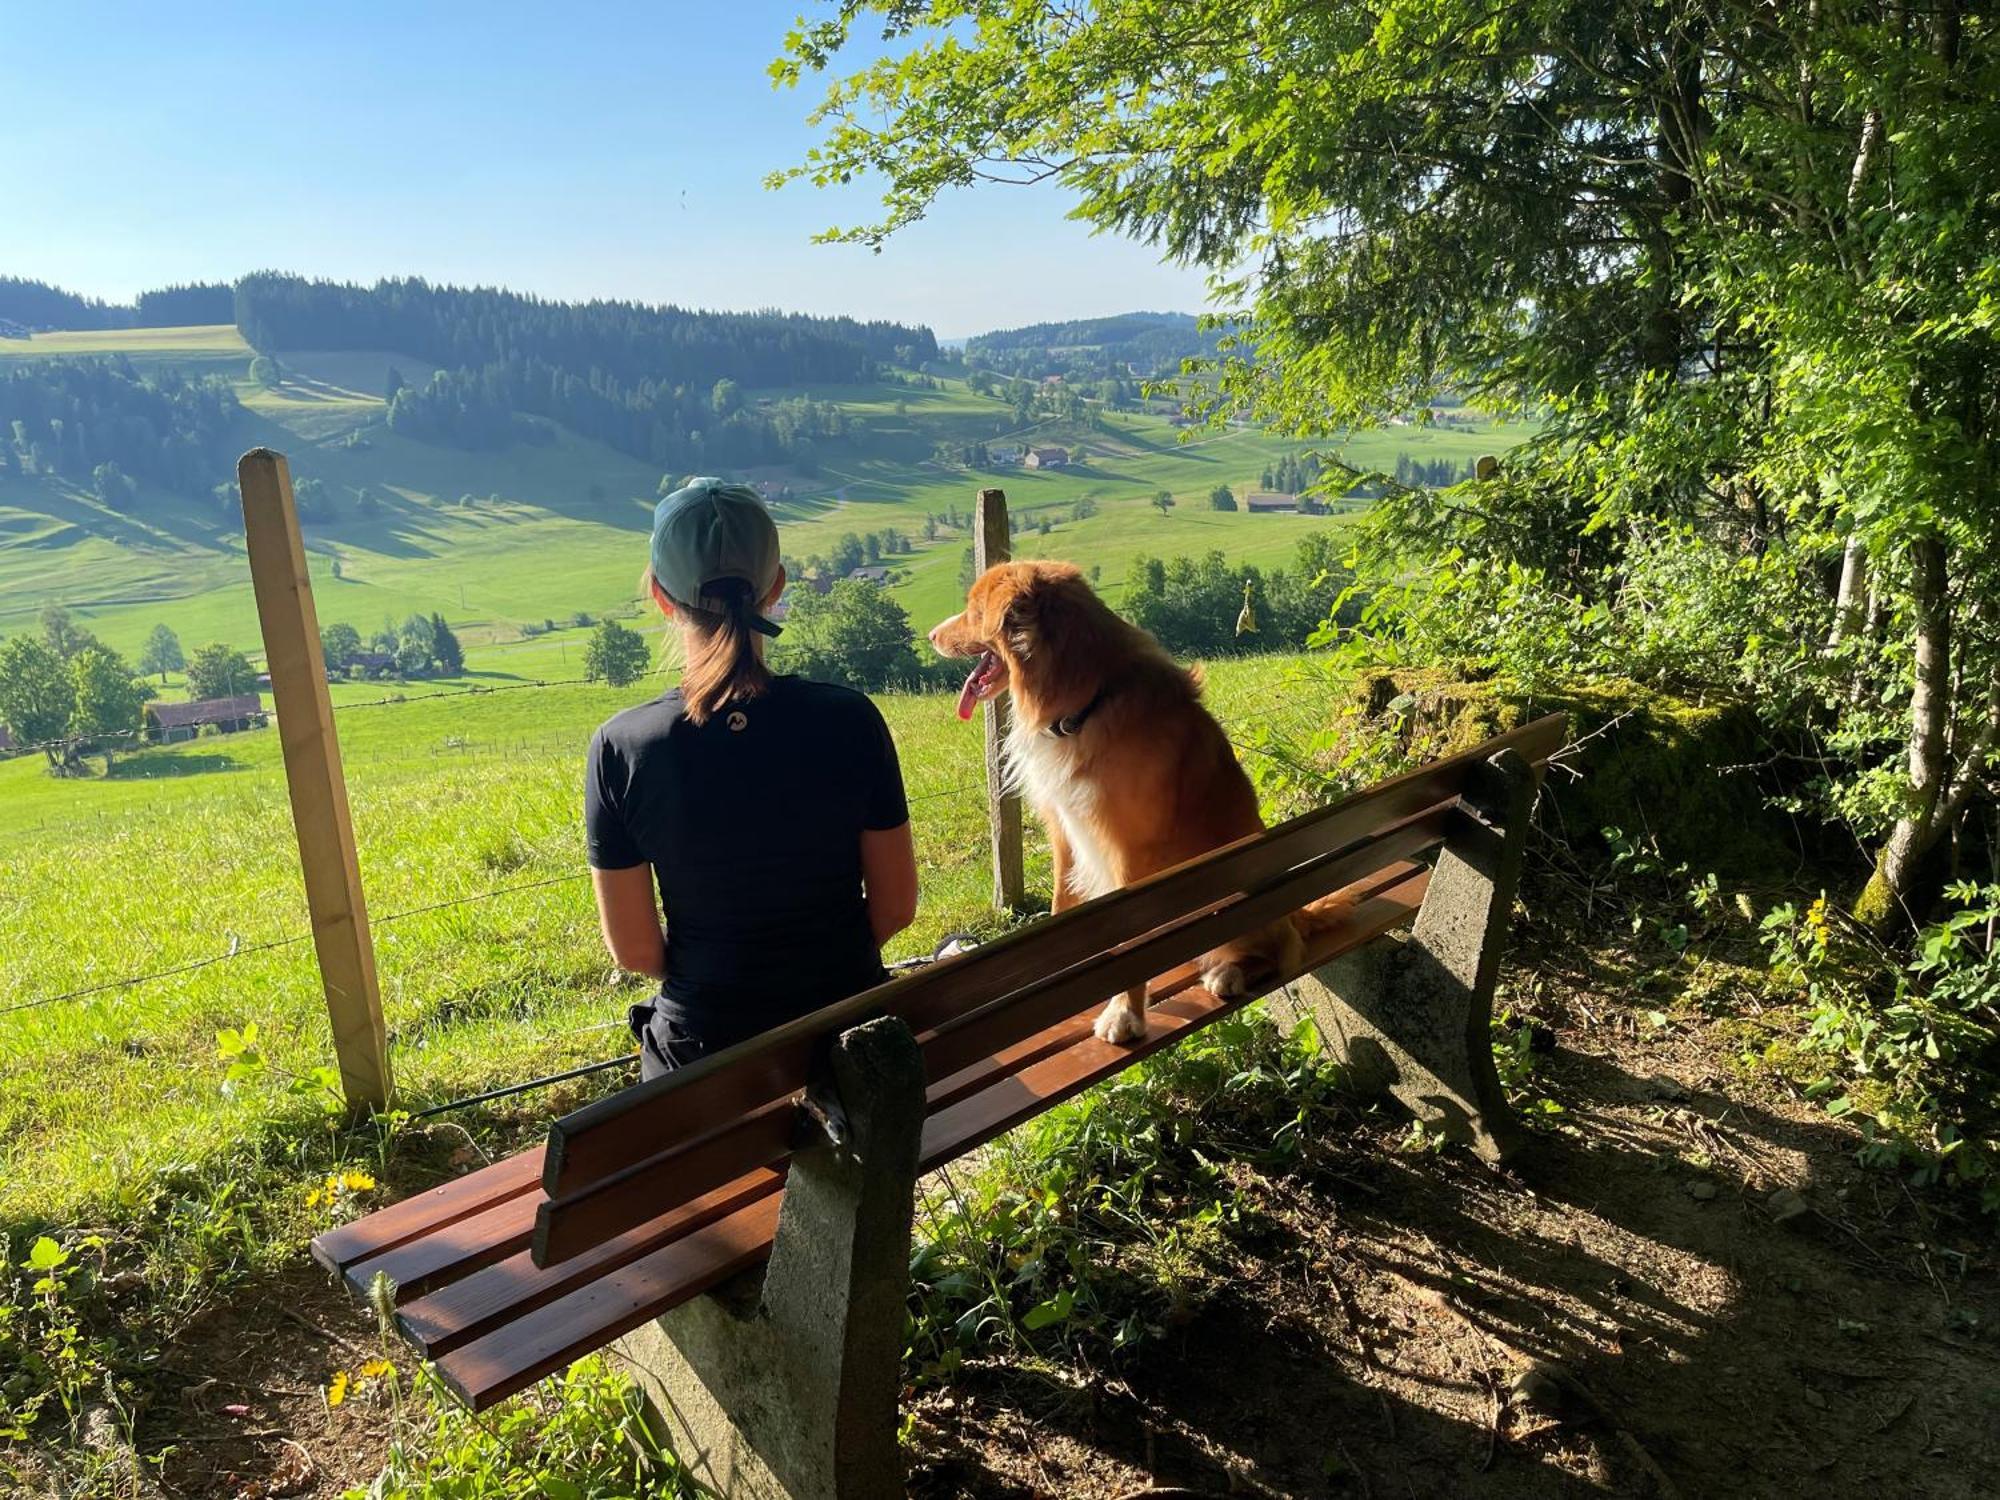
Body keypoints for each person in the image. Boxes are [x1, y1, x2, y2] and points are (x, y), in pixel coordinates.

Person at [585, 478, 919, 1077]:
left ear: (661, 597)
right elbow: (895, 907)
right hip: (852, 1048)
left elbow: (635, 951)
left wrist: (723, 977)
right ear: (776, 588)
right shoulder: (850, 720)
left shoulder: (623, 748)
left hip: (705, 1062)